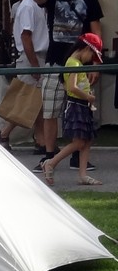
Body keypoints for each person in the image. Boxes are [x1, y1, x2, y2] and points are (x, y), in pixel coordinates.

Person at [29, 0, 103, 172]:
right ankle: (48, 156)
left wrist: (96, 62)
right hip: (55, 62)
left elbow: (96, 32)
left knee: (80, 111)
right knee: (50, 111)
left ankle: (77, 156)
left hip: (80, 63)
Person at [0, 0, 48, 151]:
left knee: (37, 101)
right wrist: (34, 64)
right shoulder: (27, 7)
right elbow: (25, 37)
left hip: (37, 57)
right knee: (26, 99)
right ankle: (3, 133)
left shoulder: (37, 5)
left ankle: (41, 140)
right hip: (31, 57)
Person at [41, 33, 104, 186]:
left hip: (82, 106)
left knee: (87, 140)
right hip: (76, 106)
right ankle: (51, 163)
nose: (90, 59)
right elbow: (72, 87)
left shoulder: (75, 63)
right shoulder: (73, 63)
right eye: (92, 55)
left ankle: (82, 174)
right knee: (79, 142)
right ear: (86, 49)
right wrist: (87, 97)